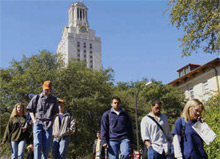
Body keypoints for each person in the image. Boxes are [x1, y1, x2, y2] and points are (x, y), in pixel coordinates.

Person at [26, 80, 58, 159]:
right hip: (38, 123)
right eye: (45, 89)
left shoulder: (54, 100)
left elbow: (55, 113)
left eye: (48, 89)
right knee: (37, 144)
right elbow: (30, 110)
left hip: (48, 124)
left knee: (46, 146)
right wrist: (34, 121)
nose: (46, 91)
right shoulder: (36, 97)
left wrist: (52, 123)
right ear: (42, 88)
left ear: (50, 89)